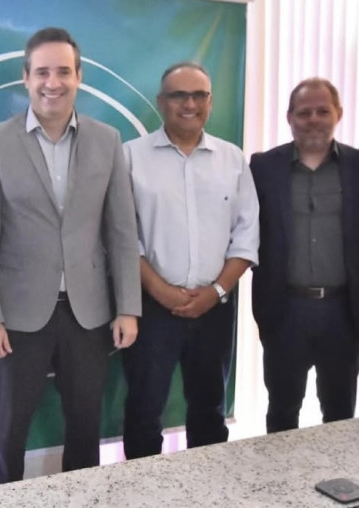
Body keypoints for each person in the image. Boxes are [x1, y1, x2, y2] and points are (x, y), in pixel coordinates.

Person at [0, 27, 141, 485]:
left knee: (86, 428)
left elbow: (122, 232)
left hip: (89, 315)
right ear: (26, 77)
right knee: (7, 432)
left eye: (64, 72)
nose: (53, 82)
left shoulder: (108, 140)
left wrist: (128, 307)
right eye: (43, 72)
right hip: (17, 317)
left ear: (79, 76)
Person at [121, 62, 259, 459]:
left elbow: (247, 236)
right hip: (151, 308)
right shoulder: (131, 157)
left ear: (210, 102)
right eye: (179, 95)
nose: (189, 104)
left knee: (209, 411)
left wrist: (216, 291)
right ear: (161, 102)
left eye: (199, 95)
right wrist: (160, 291)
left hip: (214, 307)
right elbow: (122, 237)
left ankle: (208, 488)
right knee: (144, 411)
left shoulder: (232, 159)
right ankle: (142, 490)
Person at [250, 77, 359, 433]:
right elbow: (253, 231)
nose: (313, 119)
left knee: (340, 411)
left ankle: (339, 472)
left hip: (344, 310)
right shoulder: (262, 167)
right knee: (282, 409)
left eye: (322, 111)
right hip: (284, 310)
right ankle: (280, 471)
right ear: (289, 117)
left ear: (338, 113)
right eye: (304, 112)